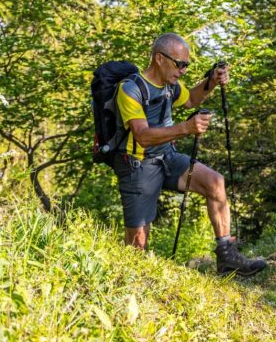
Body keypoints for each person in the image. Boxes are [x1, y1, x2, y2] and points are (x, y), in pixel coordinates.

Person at [113, 33, 266, 277]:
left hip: (168, 158)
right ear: (159, 59)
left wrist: (212, 81)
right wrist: (185, 128)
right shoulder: (130, 89)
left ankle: (227, 257)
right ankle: (132, 281)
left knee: (215, 182)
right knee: (137, 242)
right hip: (138, 165)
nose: (183, 70)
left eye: (187, 65)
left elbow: (192, 99)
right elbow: (142, 136)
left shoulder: (170, 85)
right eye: (180, 64)